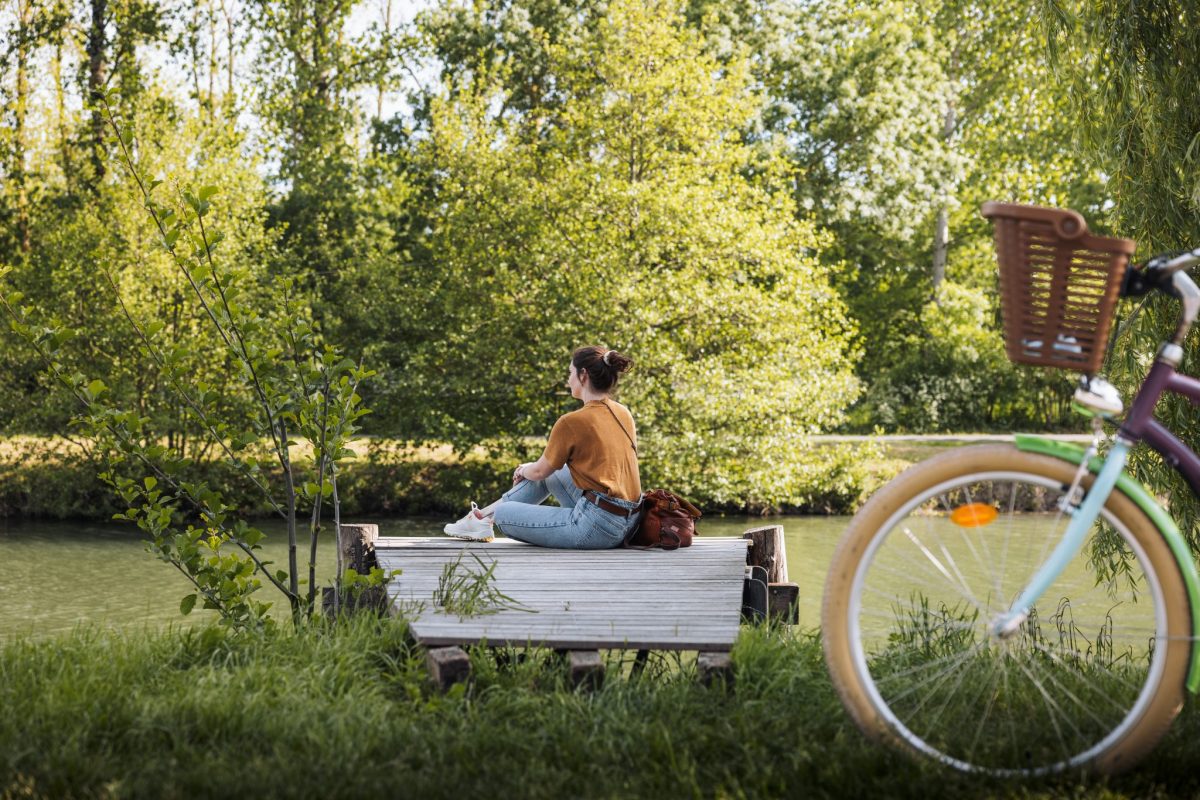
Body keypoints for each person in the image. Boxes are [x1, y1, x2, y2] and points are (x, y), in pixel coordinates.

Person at [443, 346, 642, 549]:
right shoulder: (623, 412)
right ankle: (481, 517)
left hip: (595, 528)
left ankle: (484, 520)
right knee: (552, 473)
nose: (568, 379)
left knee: (504, 513)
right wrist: (533, 467)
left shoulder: (571, 422)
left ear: (583, 375)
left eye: (570, 373)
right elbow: (546, 470)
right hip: (631, 522)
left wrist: (524, 470)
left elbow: (538, 472)